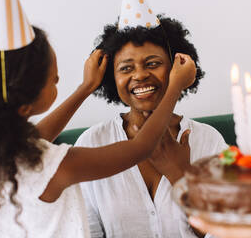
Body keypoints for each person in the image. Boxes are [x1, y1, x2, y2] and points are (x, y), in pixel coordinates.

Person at [0, 26, 196, 238]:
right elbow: (141, 147)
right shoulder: (56, 164)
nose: (140, 74)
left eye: (152, 63)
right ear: (26, 104)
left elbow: (36, 136)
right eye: (54, 80)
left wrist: (86, 87)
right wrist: (175, 85)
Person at [75, 15, 227, 238]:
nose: (139, 75)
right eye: (126, 68)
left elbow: (226, 232)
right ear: (112, 78)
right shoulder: (93, 142)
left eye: (152, 64)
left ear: (177, 69)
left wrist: (181, 178)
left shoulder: (207, 140)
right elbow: (86, 231)